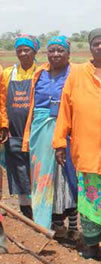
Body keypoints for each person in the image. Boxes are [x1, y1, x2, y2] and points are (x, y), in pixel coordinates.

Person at [52, 29, 101, 260]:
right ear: (91, 47)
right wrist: (59, 142)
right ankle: (92, 246)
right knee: (89, 199)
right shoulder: (77, 74)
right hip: (85, 148)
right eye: (97, 44)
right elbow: (65, 109)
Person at [21, 36, 79, 239]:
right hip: (40, 130)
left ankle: (73, 226)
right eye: (52, 50)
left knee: (67, 176)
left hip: (67, 129)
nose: (55, 54)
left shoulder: (76, 74)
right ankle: (51, 224)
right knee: (43, 177)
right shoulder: (39, 74)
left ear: (68, 53)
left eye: (60, 50)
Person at [0, 35, 40, 220]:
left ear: (35, 52)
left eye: (27, 50)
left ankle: (42, 209)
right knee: (18, 168)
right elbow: (1, 101)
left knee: (37, 167)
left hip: (36, 129)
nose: (23, 53)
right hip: (13, 130)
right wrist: (3, 124)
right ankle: (25, 209)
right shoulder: (8, 73)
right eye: (19, 50)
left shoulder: (42, 71)